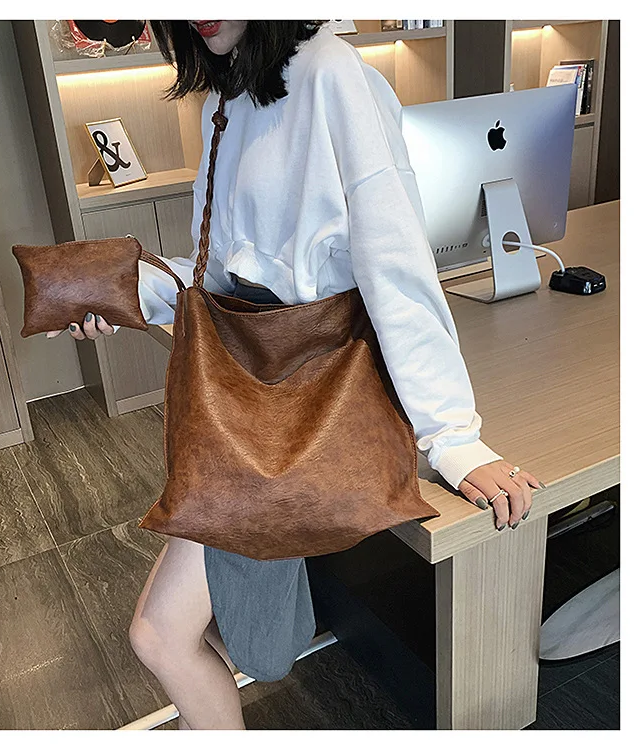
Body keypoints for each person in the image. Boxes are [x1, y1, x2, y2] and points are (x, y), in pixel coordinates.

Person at [46, 20, 544, 730]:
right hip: (253, 392)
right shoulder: (228, 95)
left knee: (160, 635)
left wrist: (454, 438)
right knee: (178, 632)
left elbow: (396, 269)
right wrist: (119, 293)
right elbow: (224, 273)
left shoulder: (331, 73)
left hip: (300, 399)